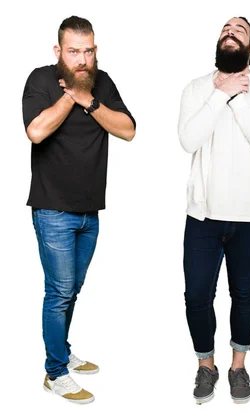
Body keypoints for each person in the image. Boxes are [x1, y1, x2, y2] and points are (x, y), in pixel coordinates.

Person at [22, 15, 136, 404]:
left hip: (90, 212)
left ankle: (63, 351)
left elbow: (128, 128)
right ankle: (55, 372)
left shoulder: (101, 84)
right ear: (59, 52)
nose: (82, 60)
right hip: (52, 209)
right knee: (58, 293)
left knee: (72, 290)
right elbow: (36, 131)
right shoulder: (40, 80)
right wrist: (70, 95)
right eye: (74, 52)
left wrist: (89, 100)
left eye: (88, 51)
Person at [178, 16, 250, 404]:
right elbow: (188, 139)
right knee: (196, 296)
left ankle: (237, 367)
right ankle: (205, 366)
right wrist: (218, 92)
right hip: (203, 217)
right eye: (225, 29)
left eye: (239, 31)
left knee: (244, 293)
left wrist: (235, 95)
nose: (230, 33)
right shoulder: (197, 89)